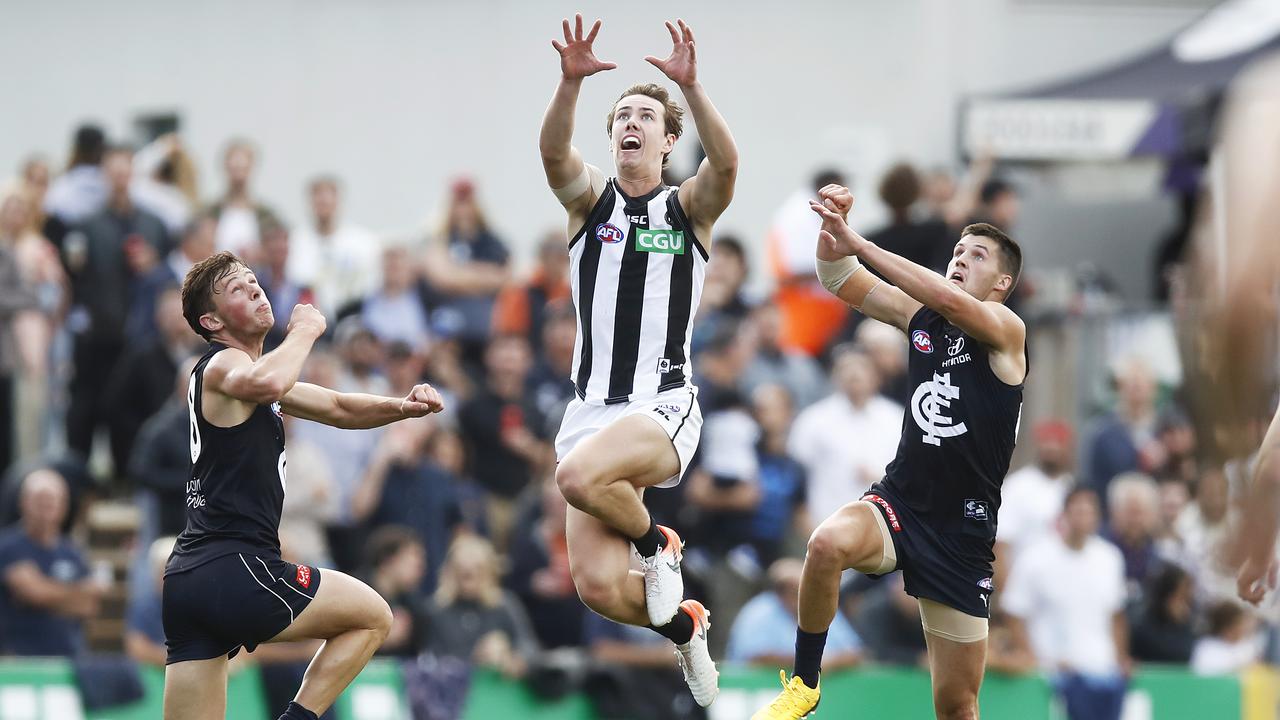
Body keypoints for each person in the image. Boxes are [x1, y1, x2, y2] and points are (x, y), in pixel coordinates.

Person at [753, 182, 1026, 719]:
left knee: (957, 707)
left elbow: (944, 297)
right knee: (826, 544)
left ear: (1002, 283)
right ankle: (805, 685)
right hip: (901, 502)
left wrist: (861, 242)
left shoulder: (1006, 330)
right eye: (957, 252)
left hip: (960, 535)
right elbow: (838, 279)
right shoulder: (924, 319)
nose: (959, 261)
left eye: (977, 256)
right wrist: (833, 233)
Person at [539, 14, 738, 708]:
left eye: (646, 115)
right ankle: (685, 626)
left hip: (663, 403)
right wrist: (569, 84)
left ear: (668, 139)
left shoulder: (687, 210)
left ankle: (656, 546)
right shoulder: (590, 204)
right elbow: (553, 154)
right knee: (597, 590)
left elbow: (729, 165)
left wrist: (693, 85)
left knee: (576, 477)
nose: (631, 122)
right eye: (622, 114)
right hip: (589, 408)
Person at [162, 250, 445, 720]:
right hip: (238, 568)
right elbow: (272, 382)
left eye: (254, 280)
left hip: (188, 579)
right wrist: (307, 329)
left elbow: (337, 407)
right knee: (373, 616)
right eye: (237, 288)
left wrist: (402, 407)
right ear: (211, 321)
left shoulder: (250, 377)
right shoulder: (225, 366)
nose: (254, 289)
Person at [0, 468, 101, 656]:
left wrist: (47, 594)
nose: (47, 505)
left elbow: (89, 605)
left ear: (64, 505)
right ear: (23, 502)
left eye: (54, 499)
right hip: (21, 659)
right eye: (40, 499)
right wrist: (74, 594)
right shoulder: (8, 547)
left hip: (68, 660)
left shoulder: (72, 552)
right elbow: (34, 593)